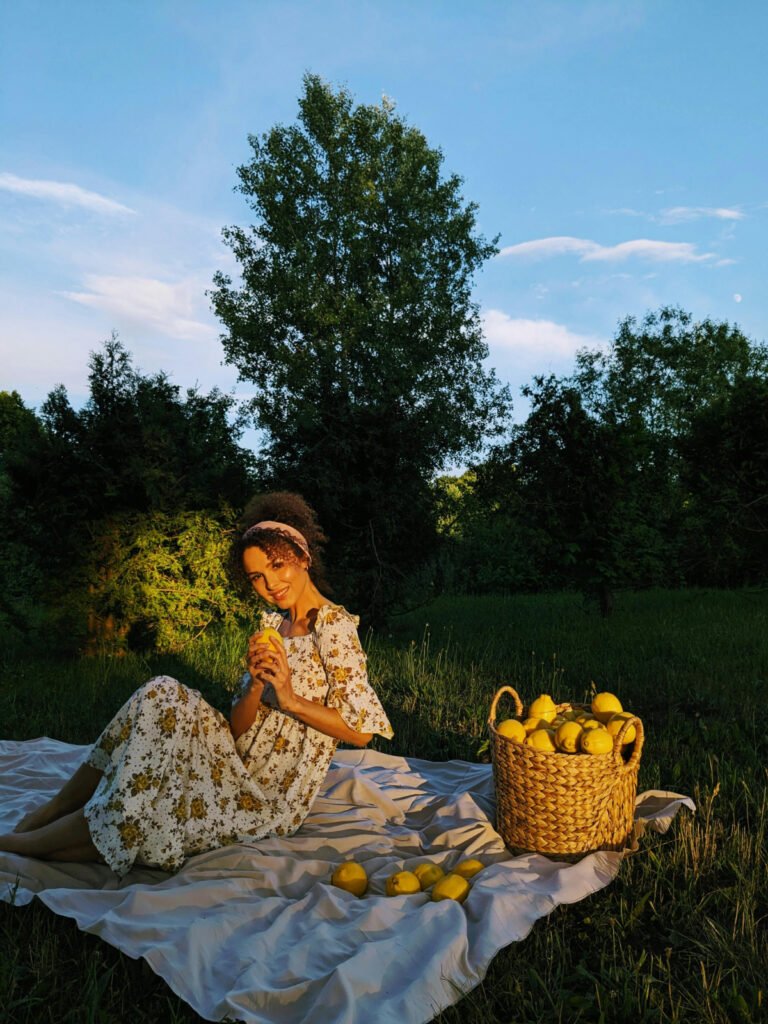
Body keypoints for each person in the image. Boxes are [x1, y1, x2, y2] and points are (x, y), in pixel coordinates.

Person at [0, 492, 393, 876]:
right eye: (257, 576)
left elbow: (361, 733)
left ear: (303, 558)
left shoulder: (334, 628)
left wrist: (289, 699)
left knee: (150, 816)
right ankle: (57, 808)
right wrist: (256, 686)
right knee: (162, 690)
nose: (270, 583)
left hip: (267, 797)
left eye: (277, 565)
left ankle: (22, 844)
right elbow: (238, 727)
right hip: (230, 761)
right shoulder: (273, 626)